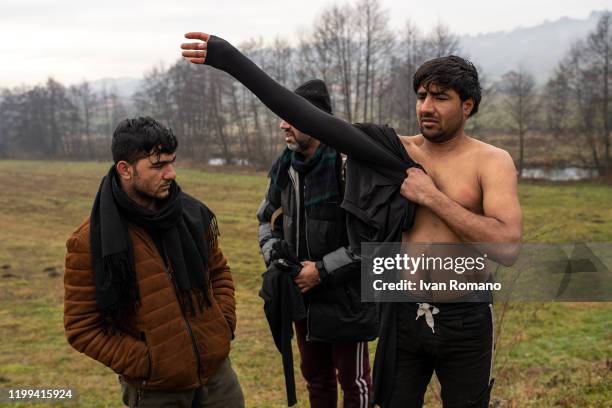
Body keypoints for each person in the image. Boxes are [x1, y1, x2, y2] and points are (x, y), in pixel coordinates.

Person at [180, 33, 522, 407]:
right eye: (422, 96)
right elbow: (306, 116)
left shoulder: (491, 161)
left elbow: (506, 246)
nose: (426, 106)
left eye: (440, 97)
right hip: (404, 312)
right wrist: (229, 58)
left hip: (466, 316)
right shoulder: (395, 151)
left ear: (468, 105)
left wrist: (432, 197)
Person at [63, 117, 244, 408]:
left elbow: (219, 272)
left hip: (218, 378)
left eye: (172, 162)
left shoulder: (191, 214)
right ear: (125, 169)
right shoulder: (89, 242)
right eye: (159, 166)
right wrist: (149, 362)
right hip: (157, 391)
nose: (171, 174)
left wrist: (222, 326)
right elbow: (82, 327)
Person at [257, 79, 376, 408]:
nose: (283, 124)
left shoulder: (349, 167)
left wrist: (321, 271)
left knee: (354, 382)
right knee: (316, 377)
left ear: (315, 119)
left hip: (346, 297)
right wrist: (274, 253)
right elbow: (265, 221)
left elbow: (372, 244)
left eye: (290, 116)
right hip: (302, 296)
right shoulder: (285, 167)